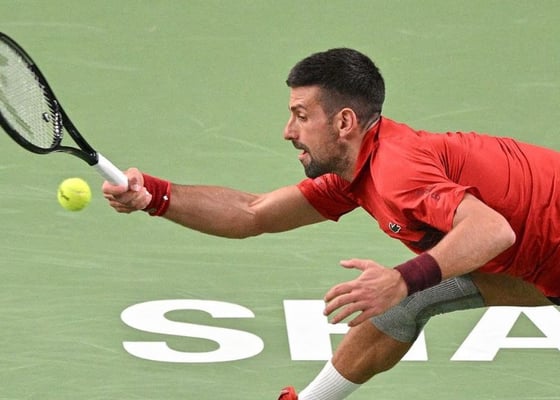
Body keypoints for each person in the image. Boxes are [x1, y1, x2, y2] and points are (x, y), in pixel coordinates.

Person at [102, 48, 560, 400]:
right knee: (404, 300)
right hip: (546, 265)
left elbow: (492, 230)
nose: (288, 131)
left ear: (344, 122)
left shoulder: (398, 169)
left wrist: (401, 278)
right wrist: (154, 195)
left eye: (301, 116)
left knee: (407, 290)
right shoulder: (357, 171)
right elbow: (253, 213)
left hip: (543, 253)